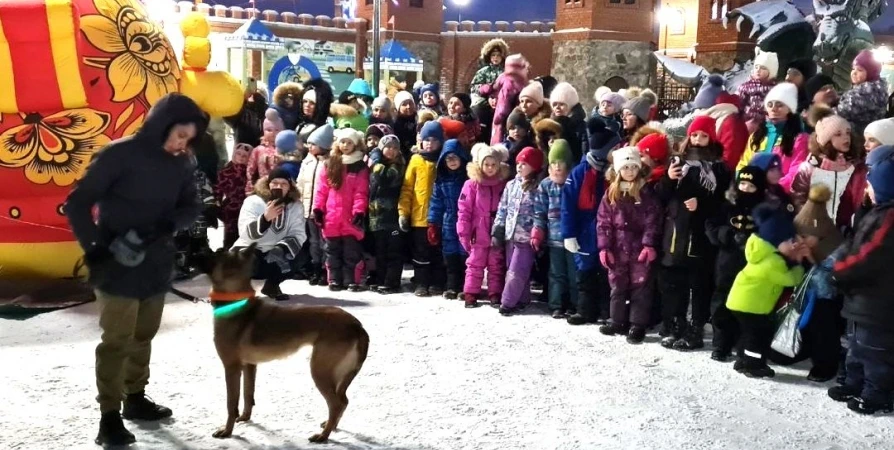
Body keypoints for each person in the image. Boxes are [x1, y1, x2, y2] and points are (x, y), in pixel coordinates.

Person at [64, 93, 205, 446]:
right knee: (116, 341)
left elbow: (192, 205)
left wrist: (167, 225)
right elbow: (77, 203)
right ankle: (109, 415)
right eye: (179, 135)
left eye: (188, 139)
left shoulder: (182, 163)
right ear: (162, 125)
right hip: (116, 264)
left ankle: (135, 397)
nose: (181, 144)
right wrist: (94, 249)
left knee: (143, 335)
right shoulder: (118, 155)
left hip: (156, 263)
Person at [829, 144, 894, 414]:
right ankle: (853, 383)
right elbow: (854, 242)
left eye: (870, 183)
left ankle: (877, 394)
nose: (865, 188)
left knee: (874, 351)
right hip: (860, 299)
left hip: (877, 301)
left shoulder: (890, 218)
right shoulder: (877, 213)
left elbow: (869, 255)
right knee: (855, 346)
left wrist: (841, 270)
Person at [658, 116, 732, 351]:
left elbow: (723, 202)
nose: (698, 140)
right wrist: (668, 179)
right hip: (676, 231)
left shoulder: (719, 167)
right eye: (695, 135)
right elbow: (661, 195)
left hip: (701, 233)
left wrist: (702, 204)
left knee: (699, 284)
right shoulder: (678, 161)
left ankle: (696, 327)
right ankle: (675, 324)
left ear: (711, 138)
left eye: (703, 135)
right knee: (675, 283)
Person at [725, 203, 806, 378]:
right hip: (752, 306)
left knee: (748, 333)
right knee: (758, 335)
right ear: (776, 242)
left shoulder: (762, 253)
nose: (793, 245)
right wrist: (799, 264)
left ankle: (743, 359)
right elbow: (791, 279)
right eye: (790, 241)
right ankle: (754, 364)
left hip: (741, 302)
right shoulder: (773, 262)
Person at [596, 146, 662, 344]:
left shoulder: (646, 193)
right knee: (617, 285)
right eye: (626, 168)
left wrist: (649, 245)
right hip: (617, 247)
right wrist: (604, 247)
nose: (630, 171)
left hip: (638, 248)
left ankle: (637, 324)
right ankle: (617, 320)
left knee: (640, 286)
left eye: (634, 167)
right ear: (618, 171)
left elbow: (653, 220)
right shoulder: (611, 194)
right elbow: (603, 221)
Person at [562, 118, 621, 325]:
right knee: (585, 272)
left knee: (607, 273)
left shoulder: (615, 172)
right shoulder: (580, 172)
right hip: (585, 230)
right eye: (615, 147)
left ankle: (607, 312)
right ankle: (585, 310)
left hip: (609, 230)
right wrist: (568, 234)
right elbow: (567, 205)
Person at [705, 165, 767, 361]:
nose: (746, 188)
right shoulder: (727, 205)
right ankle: (721, 343)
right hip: (727, 262)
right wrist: (728, 235)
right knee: (722, 303)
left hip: (752, 265)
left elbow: (774, 232)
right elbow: (711, 226)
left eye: (751, 186)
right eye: (743, 184)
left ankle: (743, 345)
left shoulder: (765, 209)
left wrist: (753, 238)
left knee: (746, 307)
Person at [793, 184, 845, 382]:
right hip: (805, 299)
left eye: (805, 236)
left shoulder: (836, 248)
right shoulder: (803, 245)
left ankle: (825, 365)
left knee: (823, 322)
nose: (800, 240)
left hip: (827, 300)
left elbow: (828, 286)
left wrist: (811, 261)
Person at [234, 166, 307, 298]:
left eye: (283, 183)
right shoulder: (253, 201)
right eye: (275, 183)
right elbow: (244, 232)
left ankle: (272, 285)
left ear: (289, 187)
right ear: (268, 184)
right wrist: (265, 219)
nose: (279, 186)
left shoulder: (295, 206)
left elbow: (298, 233)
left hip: (276, 250)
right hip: (251, 248)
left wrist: (281, 249)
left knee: (299, 255)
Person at [313, 128, 370, 292]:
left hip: (349, 218)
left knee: (351, 252)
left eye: (349, 142)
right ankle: (335, 279)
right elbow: (322, 189)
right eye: (343, 142)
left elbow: (361, 191)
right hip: (331, 217)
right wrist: (318, 209)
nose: (345, 145)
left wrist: (359, 211)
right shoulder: (330, 163)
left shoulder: (359, 166)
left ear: (356, 144)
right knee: (332, 252)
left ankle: (351, 279)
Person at [791, 113, 867, 230]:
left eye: (848, 133)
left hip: (846, 231)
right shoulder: (809, 168)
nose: (846, 138)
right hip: (815, 231)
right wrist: (811, 226)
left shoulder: (855, 167)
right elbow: (798, 199)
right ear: (825, 139)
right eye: (838, 134)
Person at [458, 144, 510, 308]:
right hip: (477, 230)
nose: (490, 168)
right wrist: (463, 232)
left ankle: (495, 292)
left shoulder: (503, 184)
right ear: (480, 165)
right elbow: (464, 210)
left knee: (496, 263)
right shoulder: (471, 185)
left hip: (497, 230)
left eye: (493, 165)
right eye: (486, 164)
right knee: (475, 263)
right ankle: (471, 292)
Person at [493, 146, 543, 315]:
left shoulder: (537, 188)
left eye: (525, 164)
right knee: (513, 269)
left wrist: (538, 231)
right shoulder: (511, 185)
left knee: (517, 270)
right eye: (518, 163)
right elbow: (503, 207)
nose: (520, 167)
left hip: (526, 238)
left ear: (534, 167)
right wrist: (498, 228)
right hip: (510, 234)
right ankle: (522, 298)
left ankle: (507, 302)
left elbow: (539, 212)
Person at [736, 82, 810, 193]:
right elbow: (743, 164)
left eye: (780, 105)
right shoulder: (757, 136)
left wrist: (772, 189)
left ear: (789, 109)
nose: (774, 109)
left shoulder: (799, 138)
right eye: (770, 105)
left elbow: (796, 171)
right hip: (750, 191)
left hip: (778, 196)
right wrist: (743, 182)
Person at [399, 121, 444, 296]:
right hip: (419, 217)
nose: (430, 143)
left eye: (434, 140)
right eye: (427, 139)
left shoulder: (444, 159)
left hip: (439, 217)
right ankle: (421, 282)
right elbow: (407, 188)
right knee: (420, 253)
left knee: (437, 252)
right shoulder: (416, 160)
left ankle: (437, 282)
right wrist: (403, 212)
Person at [534, 139, 578, 318]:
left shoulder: (574, 182)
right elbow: (539, 211)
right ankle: (556, 304)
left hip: (573, 239)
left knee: (574, 273)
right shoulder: (545, 185)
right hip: (553, 239)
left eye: (561, 163)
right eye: (554, 163)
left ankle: (574, 304)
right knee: (556, 273)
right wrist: (538, 231)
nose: (557, 167)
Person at [428, 139, 471, 299]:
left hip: (466, 222)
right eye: (448, 159)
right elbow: (436, 203)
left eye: (454, 157)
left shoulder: (468, 180)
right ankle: (452, 286)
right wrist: (433, 222)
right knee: (450, 254)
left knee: (464, 255)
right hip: (448, 223)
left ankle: (466, 286)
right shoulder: (441, 181)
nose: (452, 161)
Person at [296, 124, 334, 286]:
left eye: (313, 144)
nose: (309, 147)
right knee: (313, 241)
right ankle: (315, 266)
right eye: (309, 144)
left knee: (324, 241)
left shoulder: (330, 163)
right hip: (307, 209)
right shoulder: (307, 162)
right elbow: (300, 183)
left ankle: (326, 269)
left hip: (323, 210)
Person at [367, 135, 405, 294]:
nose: (392, 151)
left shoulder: (398, 166)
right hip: (376, 217)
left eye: (395, 148)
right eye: (388, 147)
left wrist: (375, 161)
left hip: (393, 217)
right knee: (380, 251)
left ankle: (392, 282)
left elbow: (384, 178)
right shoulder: (376, 165)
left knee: (393, 251)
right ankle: (381, 279)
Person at [837, 49, 889, 136]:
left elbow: (843, 111)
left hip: (860, 137)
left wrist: (823, 111)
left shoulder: (870, 91)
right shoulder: (868, 88)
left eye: (860, 70)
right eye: (853, 69)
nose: (854, 73)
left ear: (871, 73)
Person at [695, 92, 749, 171]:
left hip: (723, 171)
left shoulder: (731, 122)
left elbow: (730, 155)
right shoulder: (728, 118)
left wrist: (719, 173)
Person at [215, 144, 251, 249]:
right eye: (238, 154)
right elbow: (217, 190)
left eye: (245, 155)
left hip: (247, 209)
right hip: (230, 210)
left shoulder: (251, 172)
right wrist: (216, 204)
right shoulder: (225, 172)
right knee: (230, 239)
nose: (241, 157)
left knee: (246, 236)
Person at [737, 49, 779, 133]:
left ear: (771, 71)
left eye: (763, 68)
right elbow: (738, 104)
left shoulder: (776, 89)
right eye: (756, 67)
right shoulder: (746, 86)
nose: (758, 70)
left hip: (768, 124)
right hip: (747, 122)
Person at [491, 54, 529, 144]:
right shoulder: (524, 81)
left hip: (508, 122)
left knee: (501, 145)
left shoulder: (507, 82)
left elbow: (503, 107)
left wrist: (497, 119)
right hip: (520, 118)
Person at [245, 109, 284, 194]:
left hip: (282, 188)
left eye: (277, 130)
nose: (273, 133)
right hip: (263, 188)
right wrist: (250, 190)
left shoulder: (286, 148)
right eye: (269, 130)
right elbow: (250, 171)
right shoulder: (258, 150)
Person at [225, 78, 267, 148]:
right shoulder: (242, 112)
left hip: (261, 154)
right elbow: (228, 115)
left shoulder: (267, 112)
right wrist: (243, 99)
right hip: (242, 153)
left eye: (260, 93)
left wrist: (261, 105)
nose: (255, 95)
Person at [469, 38, 508, 102]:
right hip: (485, 100)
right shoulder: (483, 72)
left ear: (502, 57)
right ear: (489, 57)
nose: (496, 57)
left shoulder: (507, 71)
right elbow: (473, 87)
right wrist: (482, 88)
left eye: (498, 55)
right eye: (493, 55)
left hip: (503, 99)